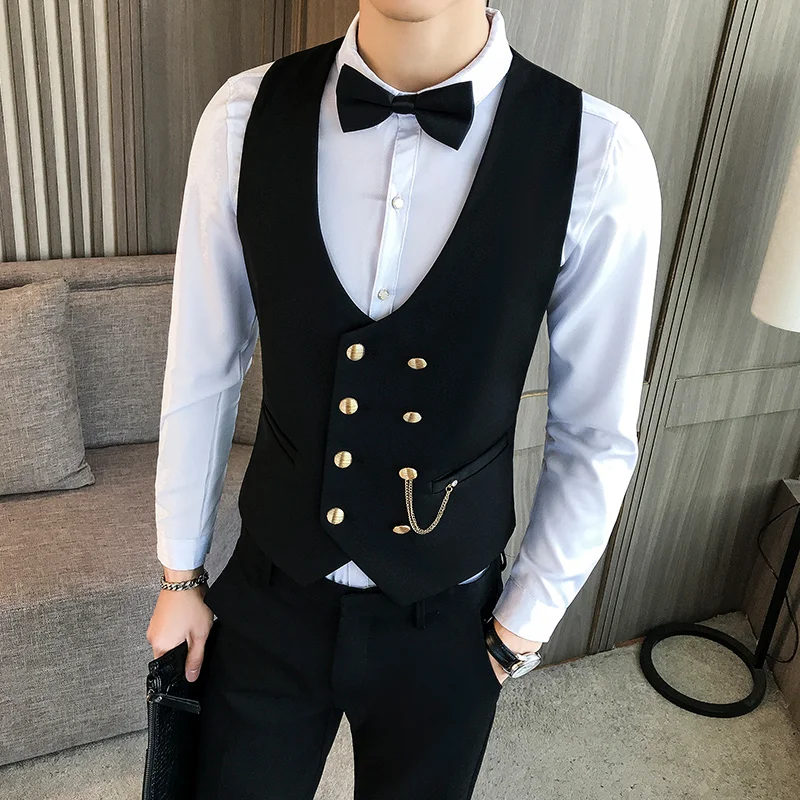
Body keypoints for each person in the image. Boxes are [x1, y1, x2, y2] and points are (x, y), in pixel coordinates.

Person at [146, 1, 661, 797]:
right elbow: (202, 366)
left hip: (449, 624)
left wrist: (518, 628)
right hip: (269, 598)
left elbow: (596, 430)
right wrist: (179, 574)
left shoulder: (599, 153)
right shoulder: (242, 118)